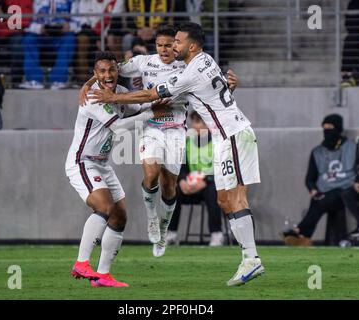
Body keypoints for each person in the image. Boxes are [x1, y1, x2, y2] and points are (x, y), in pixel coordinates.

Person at [89, 22, 264, 286]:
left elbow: (150, 93)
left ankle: (251, 259)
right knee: (224, 200)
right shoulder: (206, 60)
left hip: (233, 134)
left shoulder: (189, 73)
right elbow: (218, 93)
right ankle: (249, 258)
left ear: (191, 46)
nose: (173, 46)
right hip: (229, 136)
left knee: (235, 198)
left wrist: (113, 99)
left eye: (178, 42)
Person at [110, 24, 237, 257]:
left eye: (169, 45)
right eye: (159, 45)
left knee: (169, 187)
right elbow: (111, 70)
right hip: (151, 127)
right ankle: (151, 219)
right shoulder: (143, 62)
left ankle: (163, 229)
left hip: (176, 129)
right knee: (150, 174)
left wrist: (231, 88)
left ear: (177, 45)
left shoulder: (187, 66)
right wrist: (91, 83)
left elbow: (213, 93)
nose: (164, 49)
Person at [65, 51, 170, 288]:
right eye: (101, 71)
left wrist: (156, 103)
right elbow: (121, 125)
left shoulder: (120, 94)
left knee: (119, 216)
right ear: (95, 75)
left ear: (117, 70)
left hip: (102, 163)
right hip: (82, 161)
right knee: (104, 207)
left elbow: (140, 104)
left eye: (111, 69)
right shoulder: (92, 97)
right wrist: (152, 113)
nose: (108, 74)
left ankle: (102, 276)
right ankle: (81, 263)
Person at [281, 114, 356, 246]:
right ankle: (340, 240)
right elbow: (310, 178)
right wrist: (313, 190)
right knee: (321, 198)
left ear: (338, 128)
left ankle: (300, 231)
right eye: (324, 128)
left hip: (346, 190)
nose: (327, 131)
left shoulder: (351, 147)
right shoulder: (317, 151)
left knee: (324, 200)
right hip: (325, 192)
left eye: (330, 128)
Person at [167, 111, 224, 246]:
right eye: (193, 122)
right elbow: (183, 167)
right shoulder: (188, 143)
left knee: (213, 190)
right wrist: (182, 181)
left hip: (210, 186)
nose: (194, 126)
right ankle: (171, 234)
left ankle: (217, 234)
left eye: (198, 122)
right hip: (192, 186)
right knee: (174, 191)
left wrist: (205, 181)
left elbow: (219, 169)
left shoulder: (217, 143)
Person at [19, 0, 76, 89]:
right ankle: (34, 80)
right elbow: (27, 22)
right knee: (28, 39)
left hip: (62, 35)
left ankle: (59, 80)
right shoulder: (34, 1)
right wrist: (40, 28)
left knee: (69, 39)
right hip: (40, 34)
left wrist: (69, 26)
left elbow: (80, 21)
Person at [71, 0, 125, 82]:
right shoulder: (85, 2)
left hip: (111, 33)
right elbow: (84, 24)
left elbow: (116, 20)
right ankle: (84, 80)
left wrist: (107, 37)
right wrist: (97, 39)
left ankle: (119, 79)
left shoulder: (117, 1)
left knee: (114, 41)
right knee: (82, 39)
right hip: (92, 34)